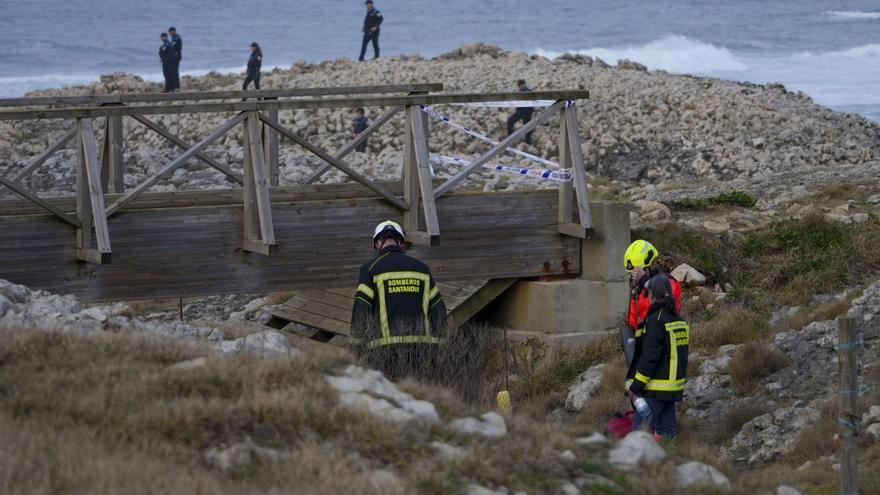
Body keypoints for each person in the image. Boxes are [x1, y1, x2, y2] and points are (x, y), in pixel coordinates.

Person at [351, 220, 448, 381]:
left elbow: (361, 311)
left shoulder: (369, 269)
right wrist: (440, 347)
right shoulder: (422, 268)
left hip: (384, 352)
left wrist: (356, 349)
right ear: (401, 243)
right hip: (422, 350)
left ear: (377, 244)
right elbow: (438, 312)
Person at [626, 274, 689, 438]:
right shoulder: (678, 319)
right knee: (667, 432)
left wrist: (636, 385)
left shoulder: (656, 320)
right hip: (673, 388)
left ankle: (636, 463)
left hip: (656, 387)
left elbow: (650, 357)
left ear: (653, 294)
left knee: (639, 432)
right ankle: (668, 461)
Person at [620, 239, 682, 367]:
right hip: (645, 350)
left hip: (665, 346)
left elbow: (666, 305)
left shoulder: (668, 282)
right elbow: (633, 320)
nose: (634, 276)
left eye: (638, 271)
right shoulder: (638, 290)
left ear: (650, 265)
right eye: (632, 273)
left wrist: (646, 281)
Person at [507, 79, 534, 145]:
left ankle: (528, 142)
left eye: (520, 85)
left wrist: (527, 112)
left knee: (527, 127)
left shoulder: (529, 92)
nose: (519, 87)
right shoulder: (519, 92)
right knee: (510, 121)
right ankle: (509, 138)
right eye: (519, 86)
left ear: (524, 84)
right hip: (519, 112)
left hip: (526, 113)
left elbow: (532, 105)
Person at [168, 27, 182, 92]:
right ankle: (175, 86)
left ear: (174, 31)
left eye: (171, 32)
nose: (170, 33)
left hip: (176, 56)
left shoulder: (176, 37)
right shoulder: (174, 37)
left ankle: (176, 86)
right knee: (174, 71)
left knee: (175, 71)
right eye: (170, 32)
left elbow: (173, 45)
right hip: (175, 56)